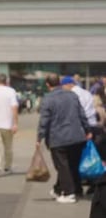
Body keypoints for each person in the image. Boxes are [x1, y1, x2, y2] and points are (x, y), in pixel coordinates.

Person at [37, 74, 91, 204]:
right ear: (60, 83)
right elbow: (82, 114)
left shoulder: (48, 99)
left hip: (58, 137)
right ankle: (75, 189)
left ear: (48, 85)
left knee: (62, 166)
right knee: (73, 164)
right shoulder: (72, 95)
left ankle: (69, 193)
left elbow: (44, 120)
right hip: (76, 135)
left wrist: (39, 137)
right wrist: (87, 130)